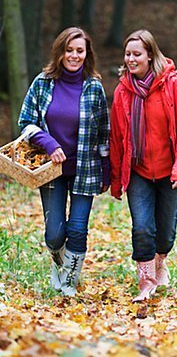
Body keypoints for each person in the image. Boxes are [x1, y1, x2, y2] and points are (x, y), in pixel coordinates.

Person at [18, 27, 110, 297]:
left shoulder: (94, 87)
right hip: (50, 170)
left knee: (78, 230)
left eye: (79, 50)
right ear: (60, 52)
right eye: (69, 50)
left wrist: (106, 171)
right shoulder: (43, 82)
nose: (74, 55)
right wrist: (50, 143)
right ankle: (59, 264)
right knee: (55, 235)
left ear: (86, 54)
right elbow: (26, 122)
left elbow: (104, 133)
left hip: (86, 170)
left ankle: (69, 282)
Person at [110, 29, 177, 301]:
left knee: (166, 233)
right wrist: (115, 179)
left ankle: (160, 265)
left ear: (150, 55)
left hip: (170, 171)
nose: (131, 59)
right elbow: (116, 138)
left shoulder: (173, 85)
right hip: (138, 171)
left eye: (137, 54)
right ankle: (145, 280)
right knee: (142, 228)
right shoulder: (122, 92)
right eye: (128, 54)